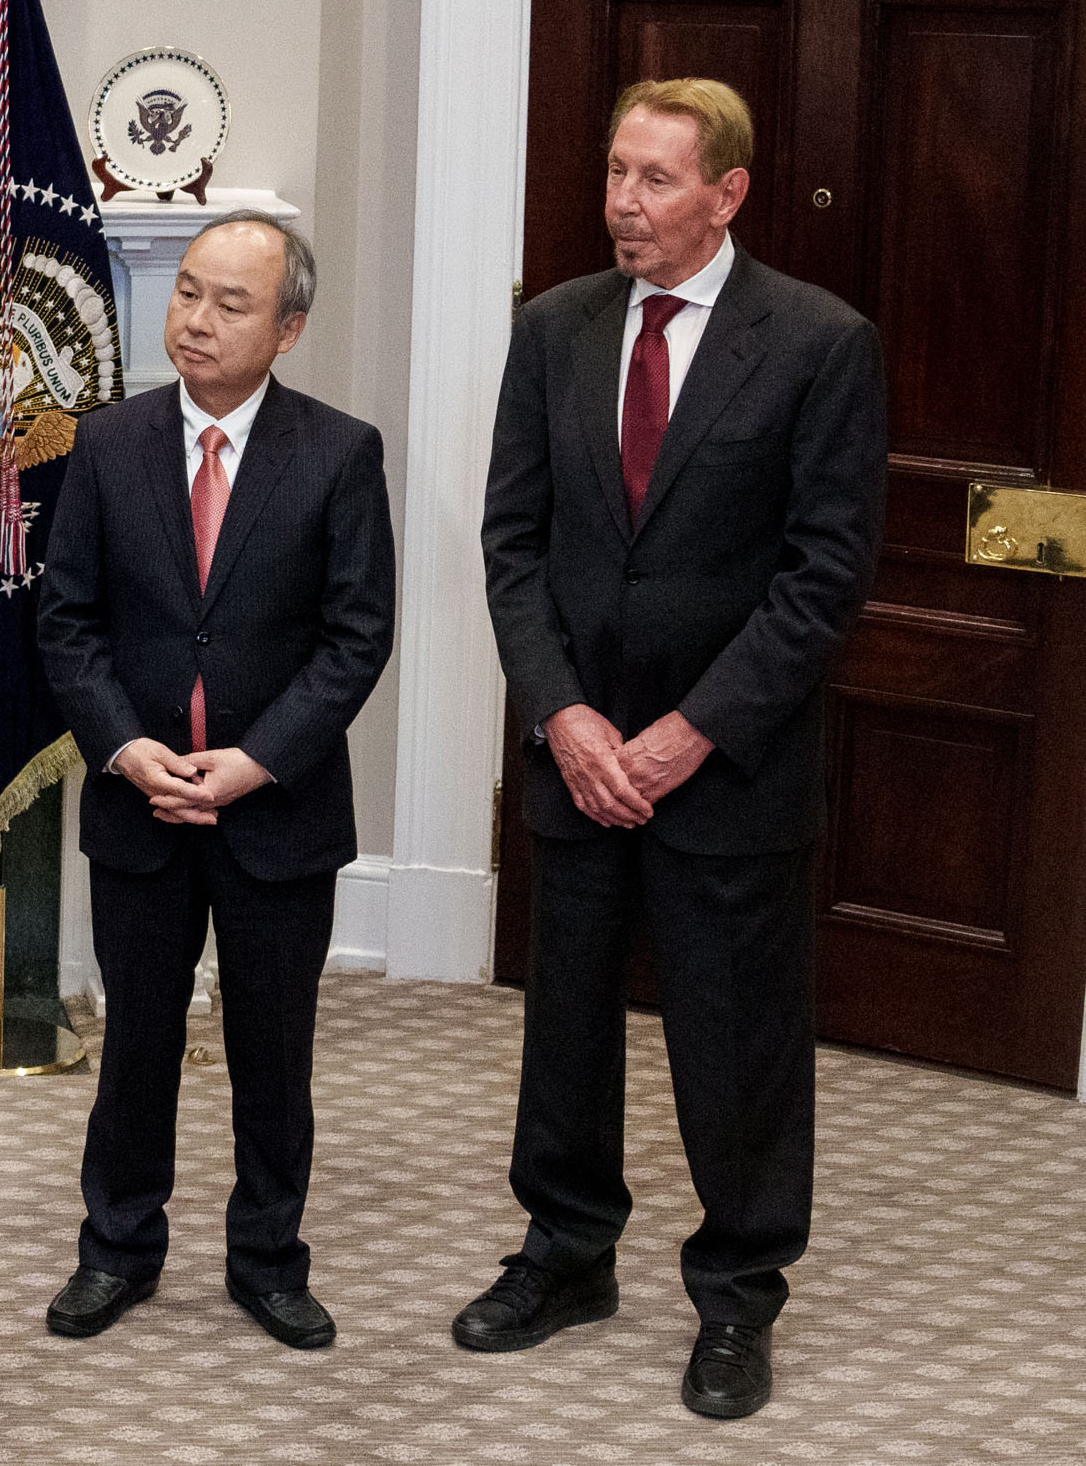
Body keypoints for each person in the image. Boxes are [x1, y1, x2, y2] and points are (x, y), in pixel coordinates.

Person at [467, 78, 887, 1419]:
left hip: (730, 767)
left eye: (655, 179)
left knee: (735, 1036)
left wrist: (690, 732)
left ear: (727, 193)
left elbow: (822, 580)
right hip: (578, 752)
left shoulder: (820, 343)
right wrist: (566, 714)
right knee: (568, 1025)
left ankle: (739, 1291)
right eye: (614, 173)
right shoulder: (555, 330)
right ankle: (567, 1249)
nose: (623, 203)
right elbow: (512, 543)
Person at [32, 214, 395, 1351]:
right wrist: (125, 747)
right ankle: (119, 1249)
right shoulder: (107, 442)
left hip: (275, 809)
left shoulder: (340, 452)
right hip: (139, 800)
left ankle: (268, 1258)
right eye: (187, 292)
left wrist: (254, 762)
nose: (194, 318)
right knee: (135, 1041)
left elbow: (355, 636)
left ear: (287, 330)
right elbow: (67, 620)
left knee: (272, 1052)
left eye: (229, 303)